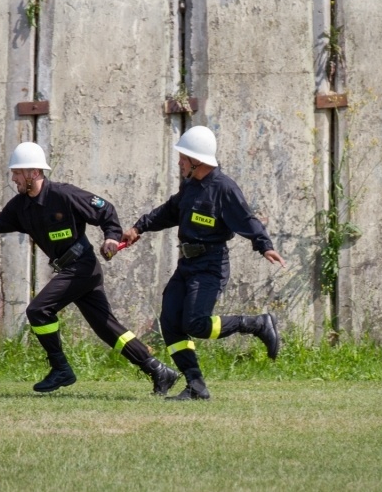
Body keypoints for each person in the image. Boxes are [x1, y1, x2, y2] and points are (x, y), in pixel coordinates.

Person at [0, 141, 179, 395]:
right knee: (108, 329)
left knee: (38, 310)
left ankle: (61, 369)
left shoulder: (64, 195)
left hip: (82, 267)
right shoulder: (21, 206)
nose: (13, 178)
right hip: (71, 270)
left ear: (34, 173)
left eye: (17, 172)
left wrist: (111, 237)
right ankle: (159, 371)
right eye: (13, 173)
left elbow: (105, 210)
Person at [121, 126, 286, 401]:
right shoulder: (190, 186)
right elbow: (170, 211)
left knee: (196, 323)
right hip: (186, 265)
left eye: (183, 158)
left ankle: (256, 324)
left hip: (211, 265)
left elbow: (247, 220)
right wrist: (139, 227)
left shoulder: (224, 189)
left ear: (197, 161)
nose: (179, 162)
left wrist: (264, 246)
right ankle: (195, 386)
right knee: (171, 322)